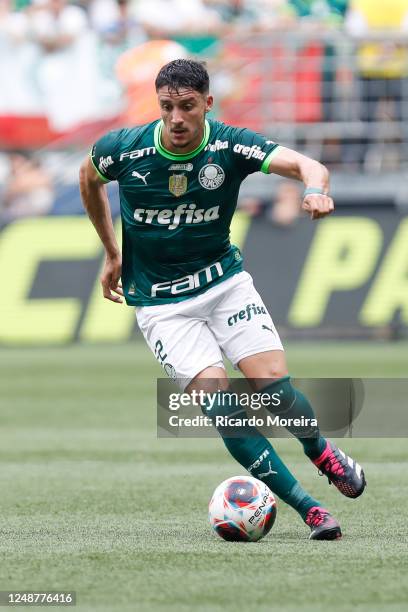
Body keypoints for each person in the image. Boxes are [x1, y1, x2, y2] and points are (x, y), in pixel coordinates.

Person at [79, 59, 366, 540]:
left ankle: (320, 451)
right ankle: (309, 508)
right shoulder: (123, 149)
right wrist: (111, 250)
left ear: (207, 104)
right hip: (162, 305)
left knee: (272, 386)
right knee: (222, 407)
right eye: (167, 107)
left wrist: (315, 189)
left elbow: (307, 164)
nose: (175, 118)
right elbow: (88, 179)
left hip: (223, 285)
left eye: (187, 107)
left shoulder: (230, 144)